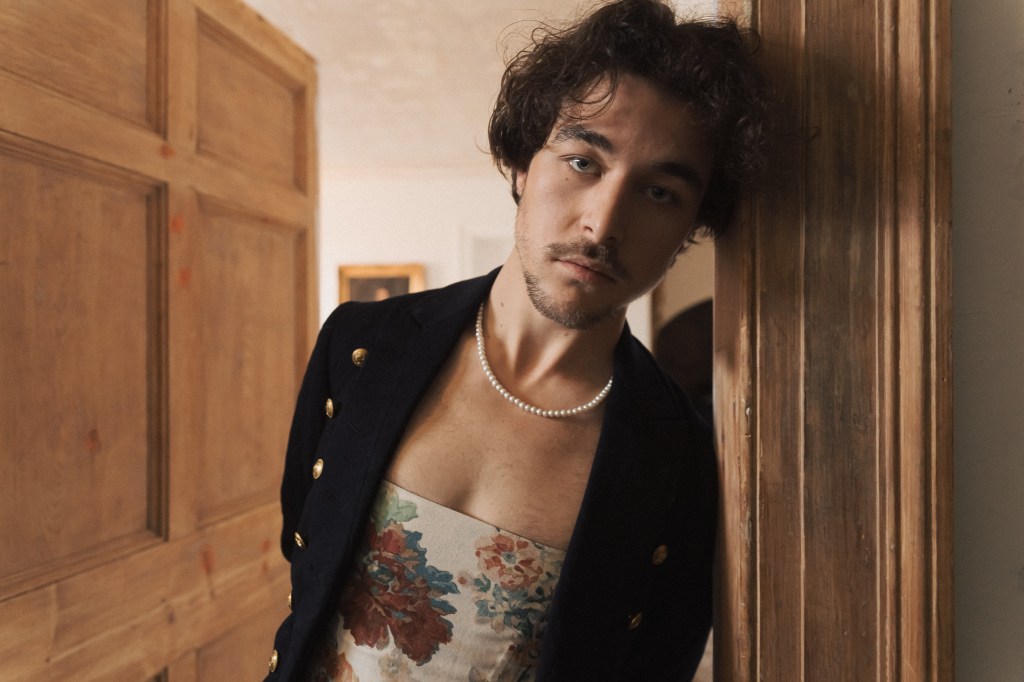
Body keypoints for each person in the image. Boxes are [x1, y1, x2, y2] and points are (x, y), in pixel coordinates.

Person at [265, 1, 771, 679]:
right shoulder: (361, 345)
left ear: (689, 231)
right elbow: (306, 555)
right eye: (584, 162)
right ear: (524, 163)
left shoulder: (679, 464)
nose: (602, 224)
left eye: (658, 193)